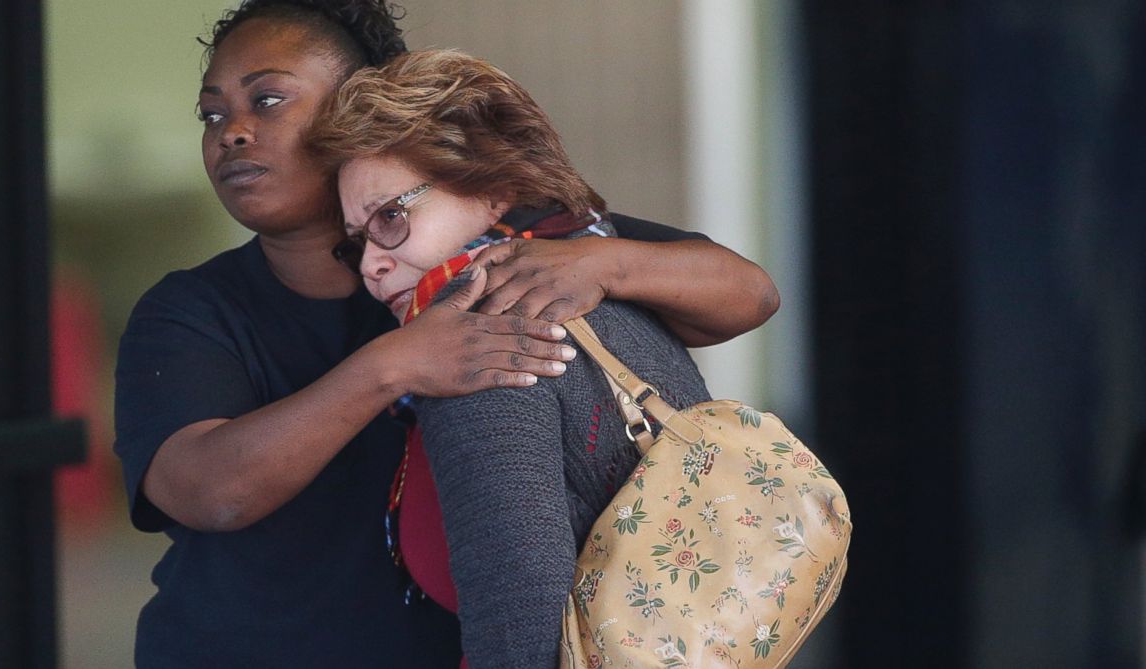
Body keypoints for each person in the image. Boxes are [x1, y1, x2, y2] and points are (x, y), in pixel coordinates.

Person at [112, 2, 778, 666]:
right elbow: (206, 490)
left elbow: (750, 292)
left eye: (269, 99)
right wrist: (394, 366)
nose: (232, 131)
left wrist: (604, 260)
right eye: (213, 113)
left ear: (359, 106)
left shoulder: (501, 253)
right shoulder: (190, 310)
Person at [312, 47, 713, 667]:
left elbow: (520, 626)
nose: (370, 265)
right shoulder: (606, 284)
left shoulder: (481, 342)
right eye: (356, 244)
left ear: (495, 190)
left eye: (390, 218)